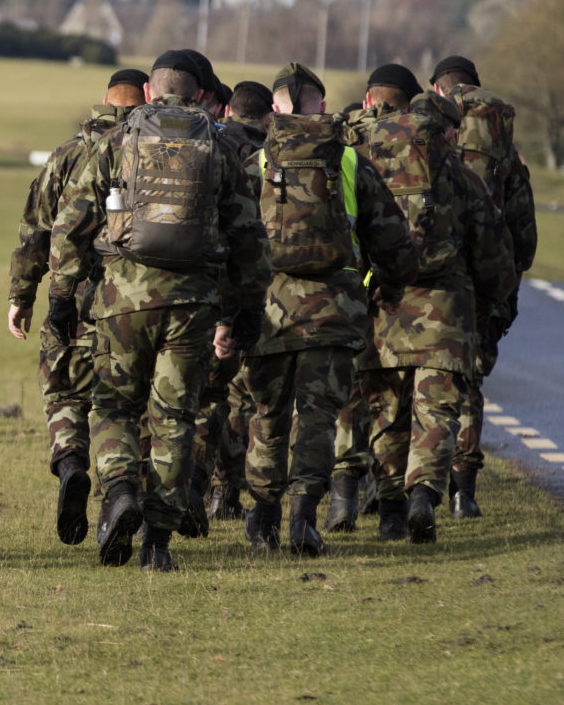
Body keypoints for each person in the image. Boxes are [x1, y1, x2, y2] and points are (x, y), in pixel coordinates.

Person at [47, 50, 270, 571]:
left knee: (113, 407)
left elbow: (71, 223)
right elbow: (248, 237)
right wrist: (247, 310)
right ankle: (157, 545)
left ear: (149, 92)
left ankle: (120, 489)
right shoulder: (219, 145)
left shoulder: (118, 140)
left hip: (121, 302)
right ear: (198, 95)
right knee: (174, 417)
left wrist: (60, 297)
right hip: (191, 307)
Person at [238, 64, 416, 556]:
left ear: (275, 108)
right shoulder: (351, 161)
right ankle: (303, 519)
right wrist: (387, 287)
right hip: (335, 310)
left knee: (268, 415)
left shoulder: (253, 161)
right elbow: (394, 242)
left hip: (268, 310)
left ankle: (263, 516)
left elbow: (229, 240)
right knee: (318, 416)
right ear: (320, 105)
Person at [350, 65, 517, 543]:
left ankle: (390, 511)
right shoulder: (463, 177)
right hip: (446, 311)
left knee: (386, 412)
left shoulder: (368, 164)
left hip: (383, 306)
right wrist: (488, 307)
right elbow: (493, 254)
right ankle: (424, 493)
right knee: (437, 412)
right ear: (447, 130)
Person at [8, 67, 148, 545]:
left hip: (74, 301)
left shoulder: (67, 154)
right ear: (145, 98)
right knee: (123, 405)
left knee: (64, 390)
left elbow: (36, 230)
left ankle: (70, 462)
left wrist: (21, 297)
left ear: (104, 100)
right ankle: (120, 494)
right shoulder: (156, 152)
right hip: (137, 303)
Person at [430, 55, 539, 517]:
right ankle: (464, 492)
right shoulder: (504, 148)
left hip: (434, 275)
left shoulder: (425, 136)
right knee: (469, 380)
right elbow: (523, 226)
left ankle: (407, 488)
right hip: (488, 278)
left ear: (437, 90)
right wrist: (508, 281)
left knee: (421, 379)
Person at [202, 80, 274, 521]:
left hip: (208, 291)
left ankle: (204, 491)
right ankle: (230, 493)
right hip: (259, 291)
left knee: (209, 396)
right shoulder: (270, 154)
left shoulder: (215, 144)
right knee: (247, 399)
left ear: (229, 109)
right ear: (268, 115)